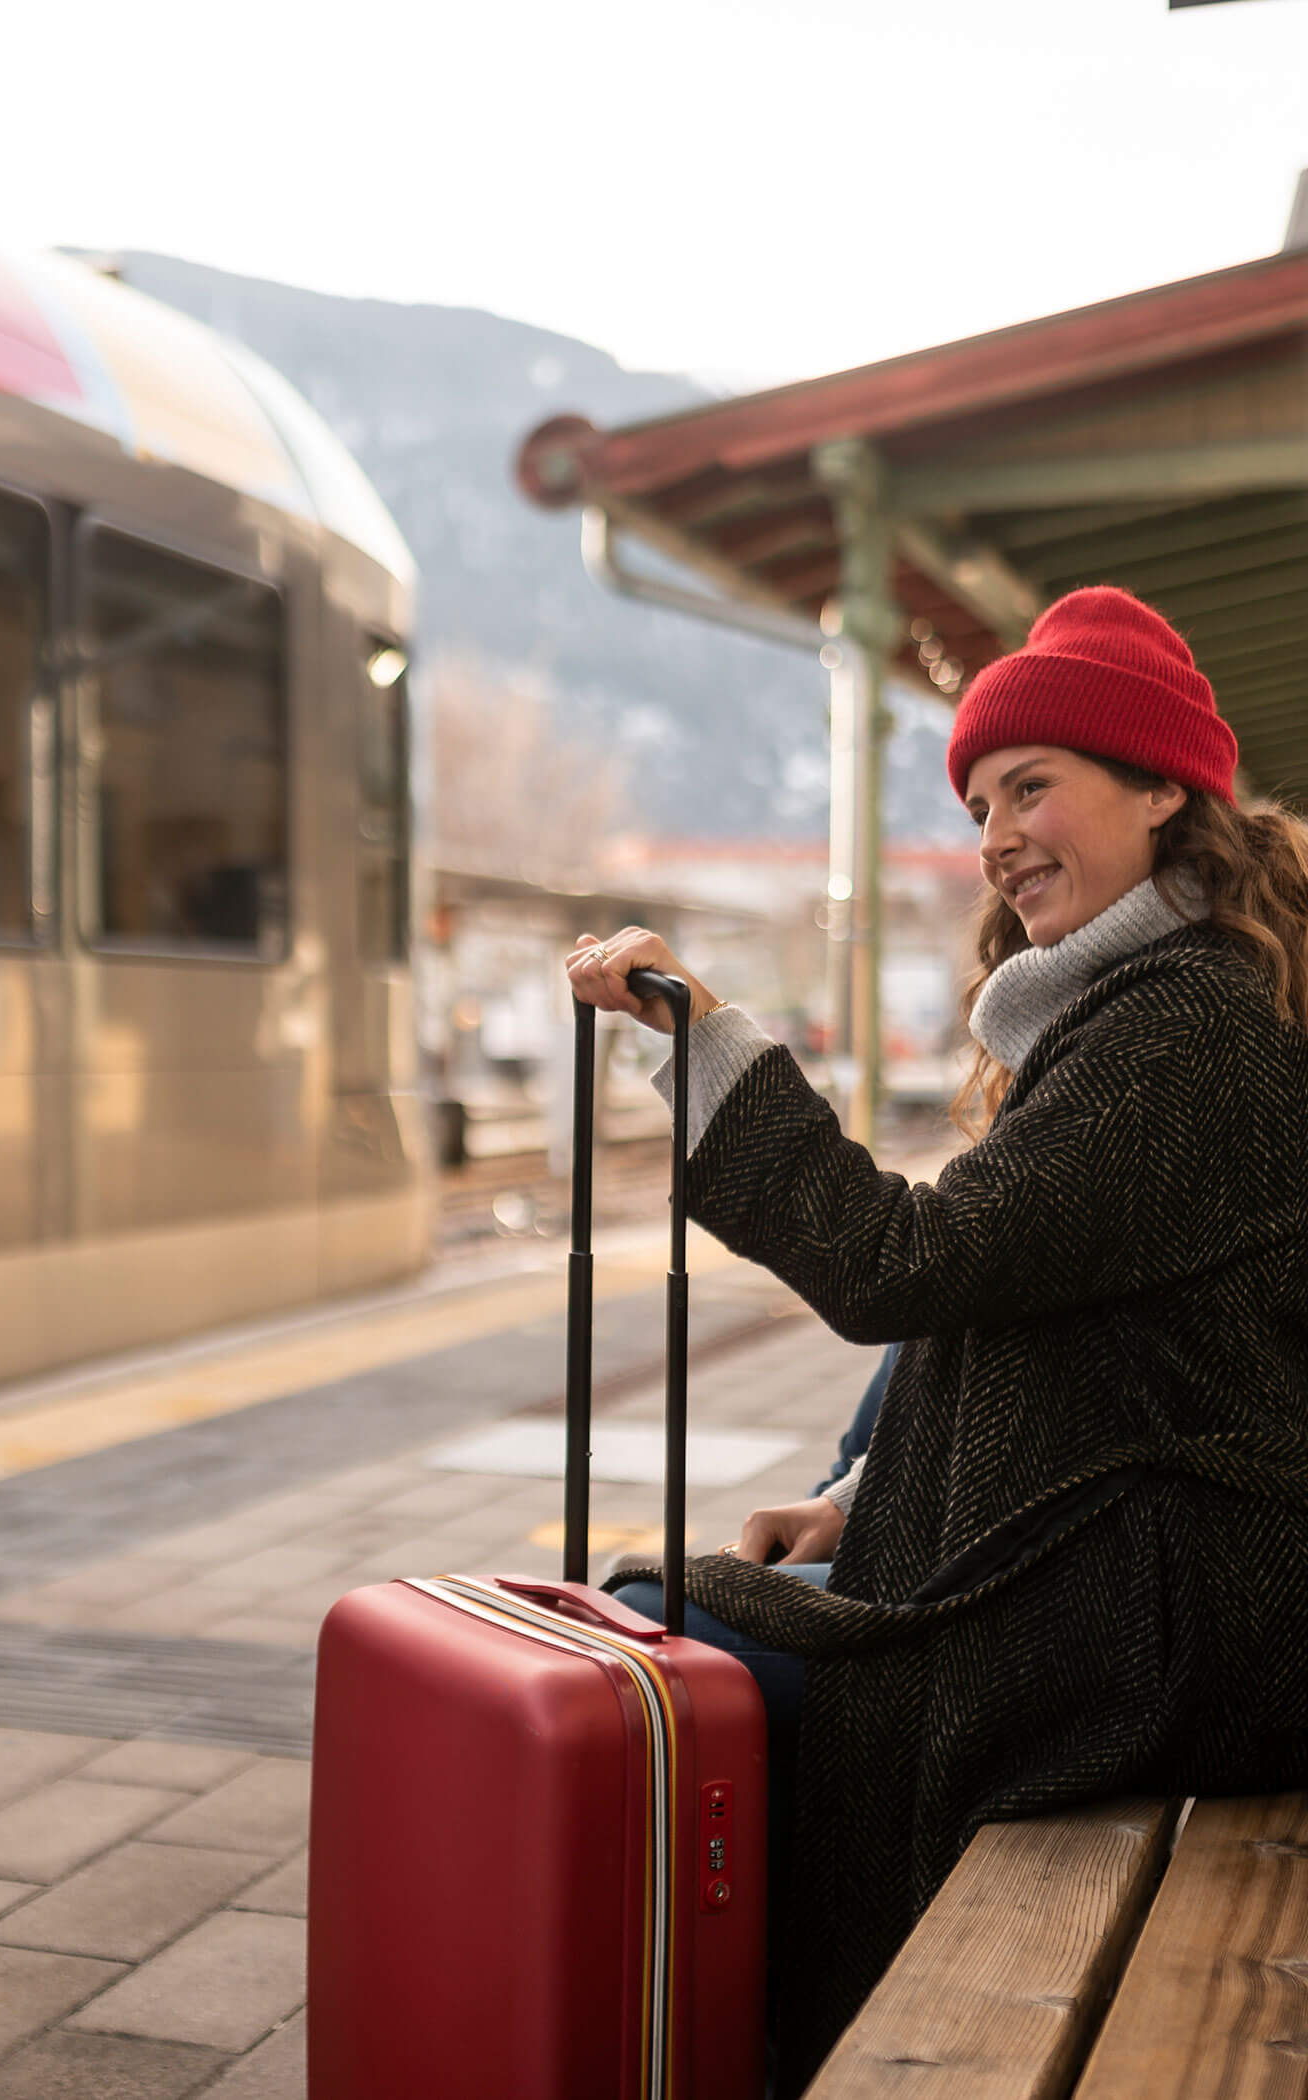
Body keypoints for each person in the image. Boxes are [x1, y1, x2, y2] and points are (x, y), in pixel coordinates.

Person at [567, 586, 1308, 2095]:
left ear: (1164, 787)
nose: (995, 839)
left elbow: (908, 1264)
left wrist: (710, 1040)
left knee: (653, 1659)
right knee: (691, 1624)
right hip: (1145, 1573)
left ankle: (734, 2054)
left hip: (1168, 1626)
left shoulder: (1189, 1031)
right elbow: (1016, 1303)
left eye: (1033, 785)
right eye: (980, 804)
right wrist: (857, 1501)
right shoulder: (1156, 1007)